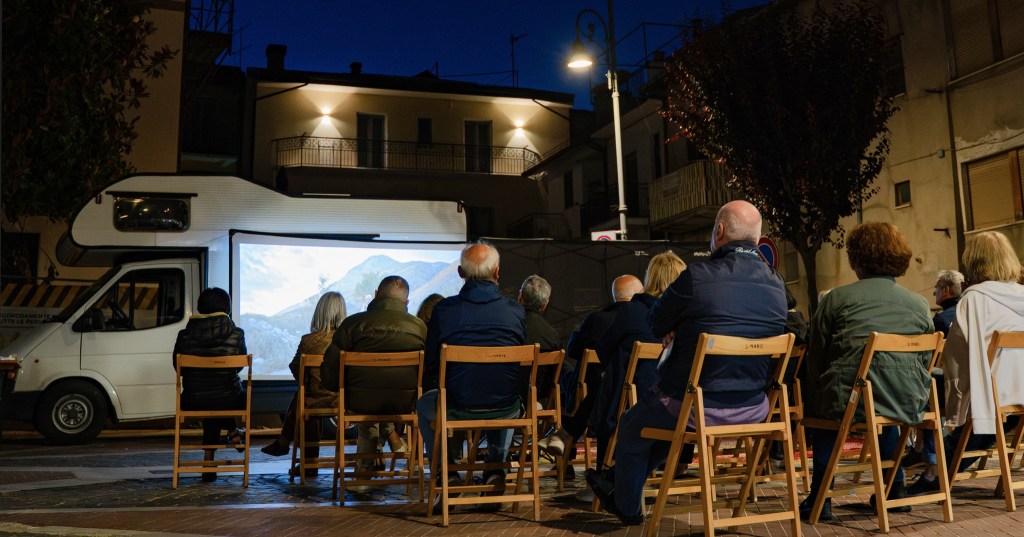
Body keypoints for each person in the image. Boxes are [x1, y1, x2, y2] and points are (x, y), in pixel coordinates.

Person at [586, 200, 787, 525]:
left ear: (719, 231)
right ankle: (617, 482)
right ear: (756, 237)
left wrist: (679, 327)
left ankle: (626, 506)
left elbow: (655, 322)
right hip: (754, 405)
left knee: (633, 425)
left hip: (696, 405)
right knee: (664, 430)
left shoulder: (697, 277)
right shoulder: (777, 285)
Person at [799, 222, 933, 520]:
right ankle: (895, 488)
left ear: (857, 258)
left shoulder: (836, 299)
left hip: (849, 401)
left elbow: (816, 358)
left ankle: (821, 496)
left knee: (826, 412)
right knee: (884, 405)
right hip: (905, 400)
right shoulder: (920, 304)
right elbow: (925, 359)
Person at [907, 232, 1024, 496]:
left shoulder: (974, 298)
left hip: (990, 395)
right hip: (1018, 395)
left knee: (925, 384)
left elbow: (957, 357)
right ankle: (932, 465)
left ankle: (930, 464)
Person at [416, 241, 526, 513]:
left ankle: (446, 472)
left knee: (426, 403)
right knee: (504, 394)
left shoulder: (444, 310)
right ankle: (495, 470)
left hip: (457, 405)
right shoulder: (515, 311)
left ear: (460, 273)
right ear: (497, 272)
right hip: (505, 406)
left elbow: (432, 366)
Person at [587, 251, 687, 485]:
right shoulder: (687, 317)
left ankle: (609, 475)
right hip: (683, 404)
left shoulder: (634, 311)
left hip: (637, 402)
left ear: (650, 277)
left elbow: (603, 351)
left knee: (613, 375)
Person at [320, 276, 427, 471]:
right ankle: (372, 464)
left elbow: (330, 372)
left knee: (366, 395)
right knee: (379, 394)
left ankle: (363, 470)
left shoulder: (352, 324)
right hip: (404, 403)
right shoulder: (419, 328)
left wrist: (339, 388)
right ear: (406, 303)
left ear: (376, 295)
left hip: (359, 402)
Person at [539, 275, 643, 459]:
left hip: (596, 390)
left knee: (564, 377)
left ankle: (565, 449)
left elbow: (573, 350)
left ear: (614, 295)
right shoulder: (645, 321)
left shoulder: (597, 320)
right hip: (638, 392)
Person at [260, 292, 346, 473]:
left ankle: (303, 458)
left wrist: (306, 381)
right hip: (343, 400)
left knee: (304, 397)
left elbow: (295, 366)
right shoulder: (347, 341)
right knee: (303, 397)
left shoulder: (308, 341)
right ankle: (299, 455)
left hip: (314, 398)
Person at [172, 287, 248, 483]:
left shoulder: (184, 335)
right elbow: (239, 366)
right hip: (229, 400)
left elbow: (179, 368)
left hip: (192, 400)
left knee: (209, 395)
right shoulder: (237, 334)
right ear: (227, 308)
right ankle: (233, 432)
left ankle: (209, 460)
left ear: (200, 307)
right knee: (222, 394)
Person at [519, 274, 561, 399]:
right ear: (545, 305)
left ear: (520, 296)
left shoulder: (508, 328)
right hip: (538, 397)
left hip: (508, 395)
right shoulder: (553, 336)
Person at [932, 269, 965, 336]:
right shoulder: (972, 311)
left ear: (945, 290)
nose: (934, 293)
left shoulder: (940, 320)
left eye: (936, 287)